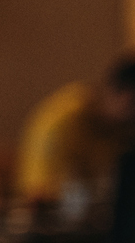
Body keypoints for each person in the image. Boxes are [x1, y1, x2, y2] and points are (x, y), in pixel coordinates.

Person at [14, 55, 135, 212]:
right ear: (115, 91)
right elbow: (39, 194)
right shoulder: (63, 120)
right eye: (132, 103)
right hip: (46, 219)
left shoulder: (122, 128)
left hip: (93, 219)